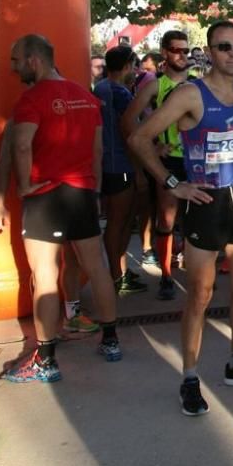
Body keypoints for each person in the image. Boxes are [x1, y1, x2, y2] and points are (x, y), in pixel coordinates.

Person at [129, 21, 233, 416]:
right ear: (208, 51)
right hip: (205, 201)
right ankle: (189, 377)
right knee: (201, 295)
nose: (232, 53)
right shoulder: (190, 93)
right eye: (224, 46)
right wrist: (173, 182)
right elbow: (140, 139)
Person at [5, 35, 122, 383]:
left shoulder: (31, 99)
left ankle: (45, 359)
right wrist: (95, 190)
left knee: (44, 275)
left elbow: (22, 146)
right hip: (83, 192)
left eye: (15, 61)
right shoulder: (87, 98)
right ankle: (111, 340)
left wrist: (24, 186)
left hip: (47, 195)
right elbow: (97, 152)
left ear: (33, 61)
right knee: (97, 267)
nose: (13, 68)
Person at [121, 30, 193, 300]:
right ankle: (166, 275)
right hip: (169, 161)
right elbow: (128, 121)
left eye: (186, 51)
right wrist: (150, 148)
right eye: (177, 50)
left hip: (195, 161)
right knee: (167, 218)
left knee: (197, 218)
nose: (182, 55)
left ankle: (195, 271)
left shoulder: (198, 83)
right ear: (164, 52)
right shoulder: (155, 85)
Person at [94, 45, 146, 293]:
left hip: (107, 164)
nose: (136, 71)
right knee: (119, 222)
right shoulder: (120, 92)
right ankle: (116, 276)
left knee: (119, 222)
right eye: (134, 66)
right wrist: (142, 168)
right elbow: (131, 133)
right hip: (122, 165)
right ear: (127, 65)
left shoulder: (101, 87)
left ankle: (119, 271)